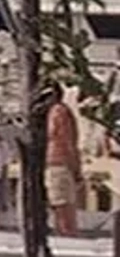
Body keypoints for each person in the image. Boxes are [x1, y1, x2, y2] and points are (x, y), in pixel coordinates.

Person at [42, 84, 82, 235]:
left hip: (58, 164)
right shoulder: (52, 112)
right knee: (57, 211)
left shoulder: (58, 111)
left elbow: (66, 141)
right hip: (53, 165)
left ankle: (69, 242)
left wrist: (75, 168)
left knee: (63, 212)